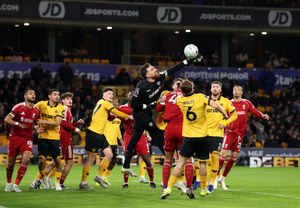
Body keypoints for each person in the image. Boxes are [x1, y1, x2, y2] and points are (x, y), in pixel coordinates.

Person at [122, 56, 202, 175]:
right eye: (152, 69)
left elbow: (172, 69)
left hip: (147, 113)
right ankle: (172, 159)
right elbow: (134, 104)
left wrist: (186, 61)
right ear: (147, 75)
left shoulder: (159, 77)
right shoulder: (141, 85)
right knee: (157, 133)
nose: (155, 70)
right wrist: (148, 106)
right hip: (140, 114)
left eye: (154, 68)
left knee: (134, 140)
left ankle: (125, 166)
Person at [161, 79, 228, 199]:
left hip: (188, 137)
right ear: (193, 88)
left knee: (180, 163)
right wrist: (225, 114)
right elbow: (216, 105)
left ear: (182, 91)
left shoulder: (180, 100)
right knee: (202, 163)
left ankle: (168, 188)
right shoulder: (200, 97)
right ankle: (203, 189)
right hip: (202, 136)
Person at [217, 85, 270, 190]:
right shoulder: (228, 102)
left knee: (233, 158)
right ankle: (214, 178)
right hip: (229, 132)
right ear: (232, 92)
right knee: (223, 155)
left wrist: (262, 115)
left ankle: (222, 178)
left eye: (238, 90)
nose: (236, 92)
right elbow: (220, 113)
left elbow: (254, 110)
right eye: (234, 90)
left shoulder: (246, 103)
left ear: (241, 92)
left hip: (240, 134)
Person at [79, 88, 131, 189]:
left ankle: (99, 177)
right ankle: (83, 182)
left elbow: (110, 117)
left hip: (100, 134)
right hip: (93, 133)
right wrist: (129, 116)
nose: (111, 95)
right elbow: (117, 112)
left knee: (109, 155)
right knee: (91, 158)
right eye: (108, 93)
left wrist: (115, 116)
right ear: (103, 95)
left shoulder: (101, 103)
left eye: (112, 94)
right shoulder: (105, 103)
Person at [194, 81, 237, 194]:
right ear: (210, 89)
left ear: (220, 90)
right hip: (203, 133)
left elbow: (235, 115)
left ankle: (212, 183)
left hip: (217, 134)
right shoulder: (205, 100)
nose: (215, 88)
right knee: (201, 157)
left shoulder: (226, 101)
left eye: (217, 87)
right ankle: (198, 180)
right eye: (213, 87)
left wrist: (226, 123)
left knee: (214, 157)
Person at [155, 78, 189, 193]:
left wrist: (161, 100)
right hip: (182, 128)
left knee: (168, 159)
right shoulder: (186, 95)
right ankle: (186, 185)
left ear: (175, 86)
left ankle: (165, 186)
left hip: (169, 129)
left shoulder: (168, 95)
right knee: (186, 159)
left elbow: (158, 108)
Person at [4, 89, 41, 192]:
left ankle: (16, 185)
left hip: (27, 138)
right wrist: (17, 124)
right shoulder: (18, 107)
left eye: (34, 93)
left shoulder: (37, 110)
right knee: (11, 163)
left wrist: (37, 128)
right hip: (15, 137)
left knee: (26, 159)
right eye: (30, 93)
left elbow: (36, 123)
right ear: (25, 96)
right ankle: (8, 183)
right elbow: (7, 119)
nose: (33, 95)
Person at [118, 91, 155, 189]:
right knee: (127, 158)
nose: (132, 95)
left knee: (147, 159)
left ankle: (152, 181)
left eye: (134, 94)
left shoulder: (139, 108)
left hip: (140, 135)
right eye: (130, 94)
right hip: (129, 135)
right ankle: (125, 183)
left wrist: (147, 133)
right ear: (127, 97)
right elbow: (117, 113)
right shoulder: (122, 108)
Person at [35, 89, 66, 191]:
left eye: (58, 94)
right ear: (49, 96)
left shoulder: (61, 107)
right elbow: (32, 114)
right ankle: (43, 177)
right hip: (42, 137)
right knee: (42, 160)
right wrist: (35, 126)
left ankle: (57, 183)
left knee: (57, 161)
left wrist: (43, 121)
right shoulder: (41, 104)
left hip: (54, 138)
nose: (57, 96)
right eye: (55, 94)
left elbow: (57, 122)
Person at [59, 92, 84, 189]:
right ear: (63, 101)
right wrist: (76, 129)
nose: (70, 100)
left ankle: (60, 183)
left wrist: (77, 123)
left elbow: (69, 126)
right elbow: (63, 123)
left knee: (69, 162)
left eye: (71, 99)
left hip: (68, 138)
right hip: (62, 138)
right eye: (67, 99)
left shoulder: (69, 111)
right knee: (57, 162)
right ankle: (38, 180)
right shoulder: (63, 110)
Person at [97, 98, 123, 186]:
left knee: (114, 160)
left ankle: (105, 177)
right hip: (105, 141)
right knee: (104, 160)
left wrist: (120, 138)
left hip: (114, 142)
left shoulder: (118, 116)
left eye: (117, 102)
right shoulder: (107, 114)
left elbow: (117, 127)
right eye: (114, 102)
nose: (116, 104)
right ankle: (99, 177)